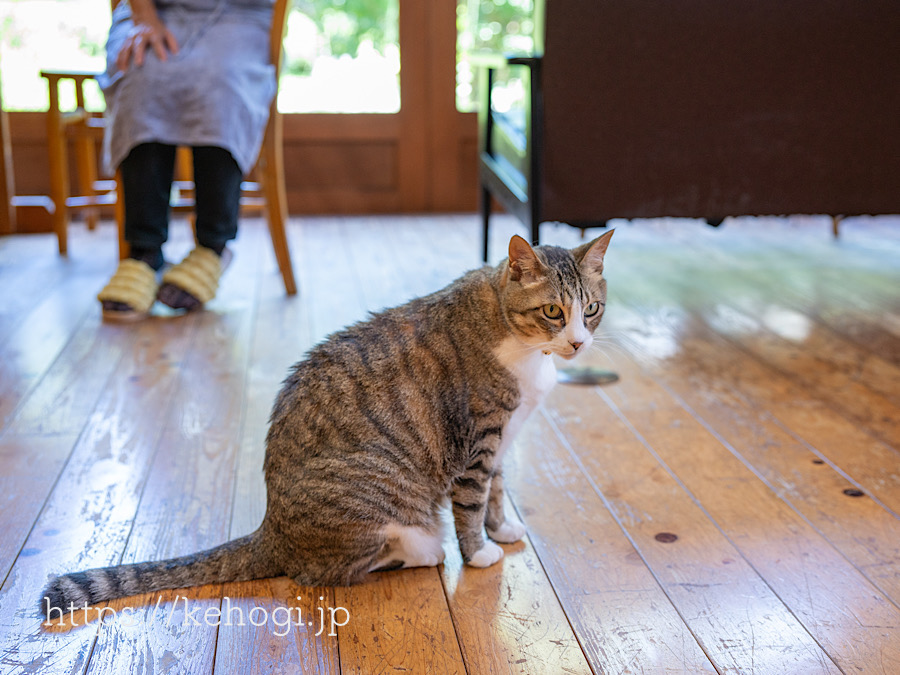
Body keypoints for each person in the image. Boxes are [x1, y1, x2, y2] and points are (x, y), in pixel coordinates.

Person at [96, 0, 276, 321]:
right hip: (153, 9)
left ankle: (213, 246)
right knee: (142, 78)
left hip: (238, 14)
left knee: (221, 82)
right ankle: (144, 252)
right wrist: (144, 16)